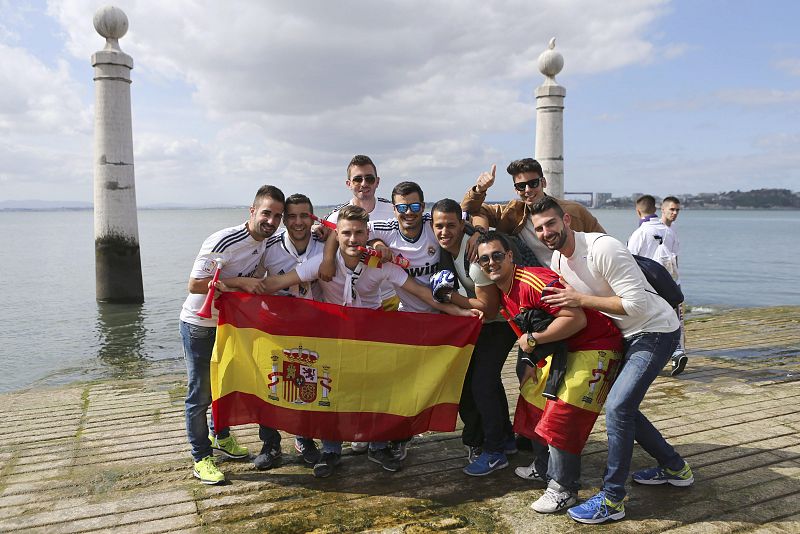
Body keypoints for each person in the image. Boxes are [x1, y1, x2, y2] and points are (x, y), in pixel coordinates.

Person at [255, 205, 480, 478]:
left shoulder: (381, 266)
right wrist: (233, 287)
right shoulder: (322, 264)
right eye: (346, 233)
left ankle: (379, 445)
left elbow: (420, 292)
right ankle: (331, 450)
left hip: (374, 337)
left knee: (379, 392)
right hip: (335, 337)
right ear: (336, 235)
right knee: (333, 393)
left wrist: (459, 312)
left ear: (367, 234)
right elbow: (276, 283)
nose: (353, 239)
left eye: (359, 233)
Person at [529, 196, 693, 524]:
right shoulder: (558, 261)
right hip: (621, 337)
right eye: (539, 228)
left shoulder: (603, 249)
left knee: (618, 407)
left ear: (567, 221)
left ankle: (613, 498)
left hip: (655, 331)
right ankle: (675, 467)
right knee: (624, 407)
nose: (546, 232)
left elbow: (637, 306)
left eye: (551, 223)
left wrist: (579, 298)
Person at [472, 231, 623, 513]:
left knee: (562, 413)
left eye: (496, 256)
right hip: (564, 350)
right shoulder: (505, 293)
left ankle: (564, 488)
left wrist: (533, 341)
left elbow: (575, 319)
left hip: (596, 345)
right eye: (484, 259)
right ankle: (543, 467)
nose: (491, 262)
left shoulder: (533, 282)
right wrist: (529, 360)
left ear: (509, 256)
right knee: (531, 398)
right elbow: (531, 333)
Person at [179, 185, 286, 485]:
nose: (272, 221)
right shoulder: (223, 240)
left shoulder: (267, 240)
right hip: (200, 326)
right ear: (252, 211)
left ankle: (221, 435)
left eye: (278, 216)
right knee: (199, 394)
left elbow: (302, 230)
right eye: (266, 213)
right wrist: (238, 283)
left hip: (231, 325)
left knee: (225, 384)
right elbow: (196, 284)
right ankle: (201, 457)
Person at [429, 199, 518, 475]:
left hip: (504, 321)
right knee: (483, 380)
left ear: (462, 224)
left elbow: (490, 308)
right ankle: (506, 438)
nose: (444, 232)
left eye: (451, 225)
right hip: (486, 323)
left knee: (481, 382)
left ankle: (494, 451)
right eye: (438, 226)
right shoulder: (450, 247)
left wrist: (450, 296)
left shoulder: (474, 257)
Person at [259, 193, 325, 465]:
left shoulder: (325, 245)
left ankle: (304, 438)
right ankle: (270, 444)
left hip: (314, 324)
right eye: (292, 216)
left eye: (304, 216)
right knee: (269, 383)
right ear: (284, 219)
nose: (299, 222)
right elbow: (251, 280)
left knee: (307, 381)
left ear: (312, 217)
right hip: (276, 325)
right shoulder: (268, 246)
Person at [461, 159, 605, 267]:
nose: (528, 190)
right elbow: (471, 209)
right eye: (521, 186)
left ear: (543, 182)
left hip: (581, 278)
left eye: (533, 183)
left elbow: (605, 243)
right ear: (516, 190)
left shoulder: (574, 211)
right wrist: (480, 232)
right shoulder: (512, 212)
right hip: (540, 283)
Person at [323, 154, 399, 311]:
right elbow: (323, 241)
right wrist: (328, 260)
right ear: (348, 183)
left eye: (369, 179)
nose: (364, 183)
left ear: (377, 182)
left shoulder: (394, 211)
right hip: (353, 301)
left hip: (391, 296)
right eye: (357, 179)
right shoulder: (336, 216)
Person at [627, 194, 684, 376]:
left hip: (650, 285)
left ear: (638, 211)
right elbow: (676, 258)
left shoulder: (640, 233)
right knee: (674, 319)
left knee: (650, 323)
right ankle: (677, 352)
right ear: (656, 209)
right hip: (670, 281)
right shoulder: (670, 231)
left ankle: (649, 357)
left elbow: (629, 261)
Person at [661, 196, 687, 372]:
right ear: (662, 210)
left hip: (673, 281)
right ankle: (674, 352)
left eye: (677, 210)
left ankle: (677, 353)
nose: (675, 213)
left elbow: (675, 257)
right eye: (671, 209)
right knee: (667, 318)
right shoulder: (656, 230)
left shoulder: (673, 230)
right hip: (660, 283)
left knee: (677, 318)